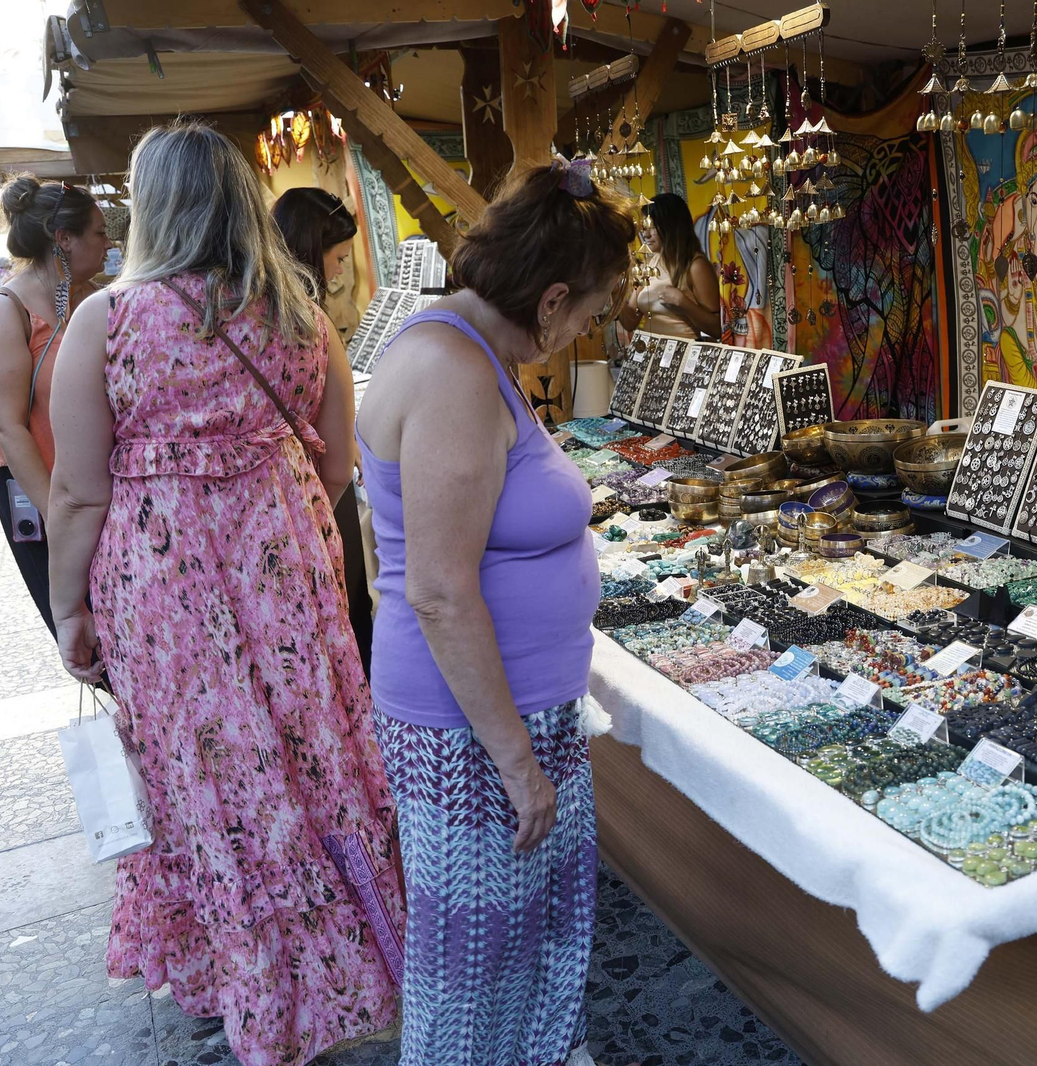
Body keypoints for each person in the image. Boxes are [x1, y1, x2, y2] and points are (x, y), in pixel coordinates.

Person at [45, 122, 404, 1066]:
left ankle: (245, 979)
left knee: (210, 784)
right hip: (291, 576)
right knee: (312, 762)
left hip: (163, 600)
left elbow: (79, 491)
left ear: (150, 205)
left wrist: (71, 612)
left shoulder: (109, 321)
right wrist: (271, 524)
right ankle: (348, 961)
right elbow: (332, 457)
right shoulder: (303, 315)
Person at [355, 158, 631, 1065]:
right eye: (590, 313)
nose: (587, 331)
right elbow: (437, 587)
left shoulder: (463, 353)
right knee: (475, 970)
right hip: (475, 731)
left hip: (498, 715)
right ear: (551, 300)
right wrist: (516, 761)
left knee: (521, 954)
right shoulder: (455, 376)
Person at [0, 179, 111, 637]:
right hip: (33, 480)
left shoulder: (93, 297)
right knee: (83, 621)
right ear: (63, 240)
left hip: (89, 483)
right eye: (98, 233)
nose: (108, 244)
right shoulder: (5, 310)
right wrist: (59, 519)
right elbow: (6, 427)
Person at [271, 187, 374, 674]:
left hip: (279, 507)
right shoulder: (307, 321)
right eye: (337, 258)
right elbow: (338, 457)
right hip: (317, 496)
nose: (339, 272)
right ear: (311, 249)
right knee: (347, 619)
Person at [620, 191, 719, 340]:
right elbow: (630, 324)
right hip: (650, 355)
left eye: (652, 227)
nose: (645, 235)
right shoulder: (648, 265)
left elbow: (717, 329)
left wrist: (683, 303)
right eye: (644, 228)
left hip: (683, 357)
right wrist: (615, 294)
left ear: (671, 226)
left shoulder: (695, 265)